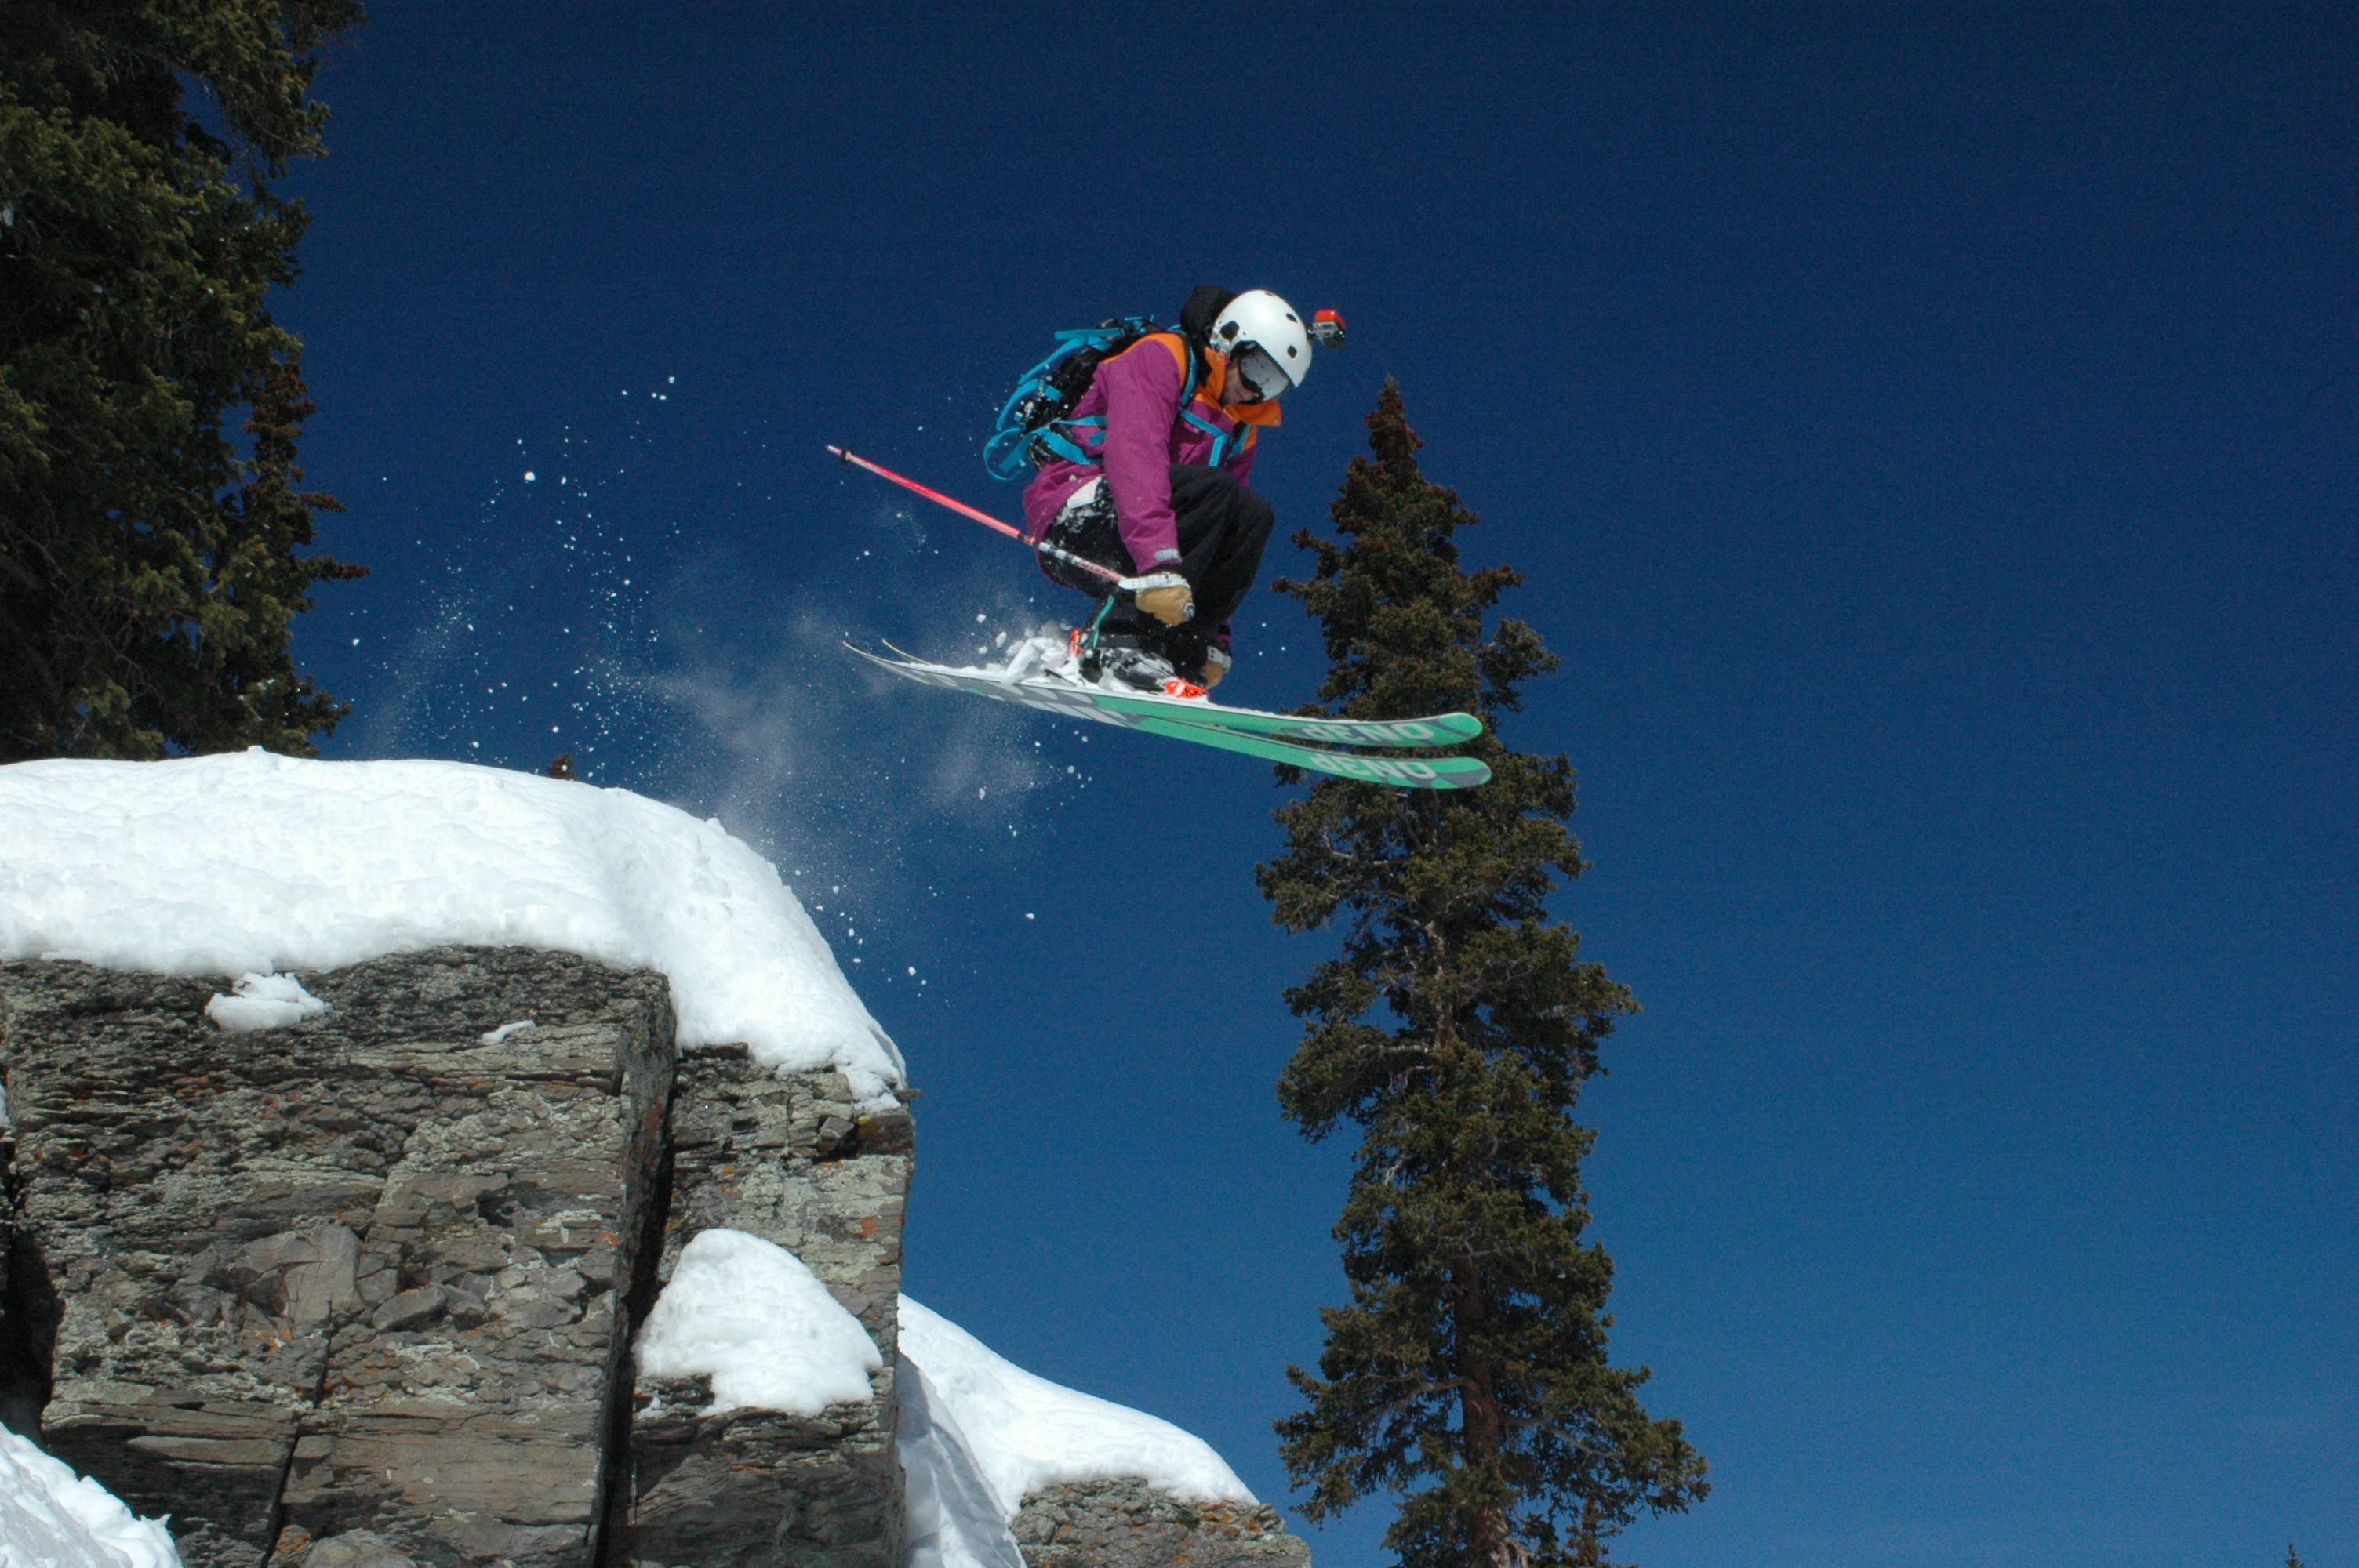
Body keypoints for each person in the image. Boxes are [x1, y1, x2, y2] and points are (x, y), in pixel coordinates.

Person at [1021, 285, 1318, 691]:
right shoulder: (1161, 357)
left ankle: (1175, 654)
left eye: (1274, 387)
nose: (1256, 391)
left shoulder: (1241, 427)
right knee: (1214, 489)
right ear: (1228, 341)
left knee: (1252, 514)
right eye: (1258, 371)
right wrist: (1159, 566)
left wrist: (1215, 637)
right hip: (1076, 513)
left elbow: (1223, 531)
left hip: (1149, 541)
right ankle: (1112, 642)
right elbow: (1134, 457)